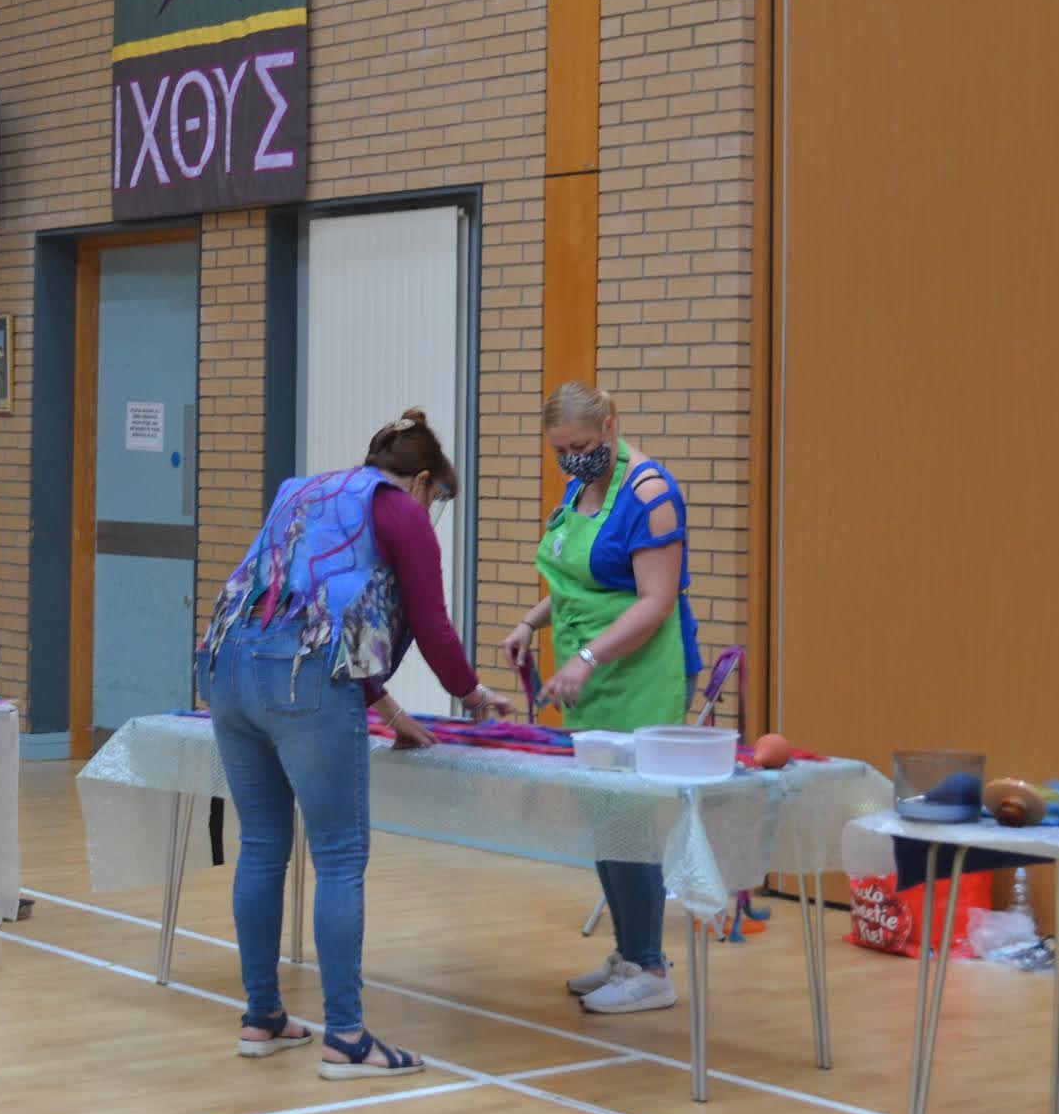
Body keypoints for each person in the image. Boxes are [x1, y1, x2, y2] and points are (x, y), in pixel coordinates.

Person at [195, 409, 511, 1078]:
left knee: (263, 845)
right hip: (303, 682)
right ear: (421, 481)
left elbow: (304, 605)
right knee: (339, 856)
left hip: (227, 669)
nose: (431, 513)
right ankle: (346, 1037)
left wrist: (388, 708)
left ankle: (262, 1016)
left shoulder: (303, 493)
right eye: (436, 499)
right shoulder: (400, 512)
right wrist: (476, 695)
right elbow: (433, 628)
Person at [500, 382, 701, 1015]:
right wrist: (531, 624)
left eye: (581, 445)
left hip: (638, 680)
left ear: (610, 427)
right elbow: (577, 582)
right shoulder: (579, 489)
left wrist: (585, 659)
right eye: (559, 449)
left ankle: (651, 970)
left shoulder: (651, 495)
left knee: (629, 822)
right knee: (604, 821)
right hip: (590, 680)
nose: (571, 458)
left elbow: (655, 601)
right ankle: (629, 952)